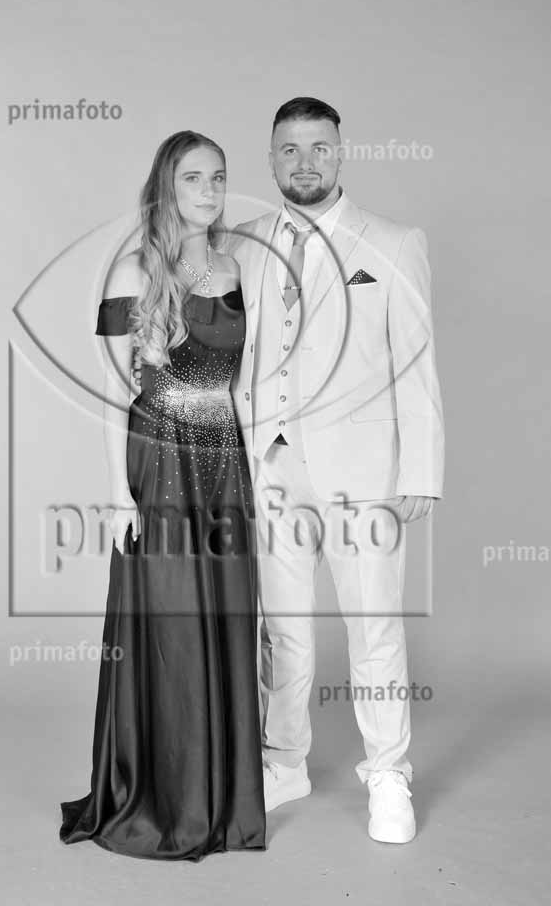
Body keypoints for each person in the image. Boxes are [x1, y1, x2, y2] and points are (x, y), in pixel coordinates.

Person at [225, 97, 444, 843]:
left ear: (341, 153)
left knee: (373, 627)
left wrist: (421, 470)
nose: (305, 162)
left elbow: (416, 362)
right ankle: (283, 760)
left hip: (364, 474)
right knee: (282, 630)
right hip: (269, 467)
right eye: (289, 149)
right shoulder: (245, 244)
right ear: (271, 159)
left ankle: (387, 773)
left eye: (319, 147)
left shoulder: (393, 242)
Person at [59, 131, 266, 861]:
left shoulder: (236, 265)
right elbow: (109, 392)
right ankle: (167, 798)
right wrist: (119, 495)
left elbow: (245, 381)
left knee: (228, 618)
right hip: (162, 460)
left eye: (219, 178)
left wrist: (260, 471)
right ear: (165, 187)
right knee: (173, 625)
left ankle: (222, 796)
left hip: (224, 460)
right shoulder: (133, 269)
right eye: (193, 178)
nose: (209, 191)